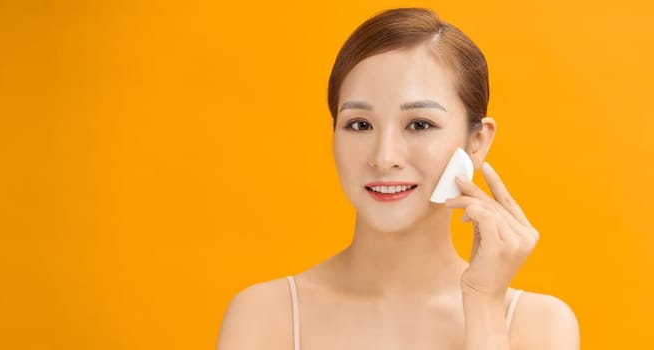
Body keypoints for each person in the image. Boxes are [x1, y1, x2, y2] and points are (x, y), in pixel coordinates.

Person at [217, 8, 579, 350]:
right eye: (360, 124)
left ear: (477, 141)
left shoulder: (539, 326)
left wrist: (483, 305)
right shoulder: (265, 316)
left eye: (419, 124)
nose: (384, 157)